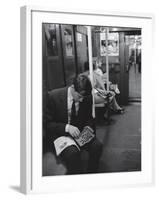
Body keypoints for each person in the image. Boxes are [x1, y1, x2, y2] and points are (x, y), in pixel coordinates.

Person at [46, 74, 102, 175]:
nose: (81, 100)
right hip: (62, 134)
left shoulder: (86, 97)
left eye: (83, 97)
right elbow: (48, 124)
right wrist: (67, 128)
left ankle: (91, 175)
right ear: (72, 88)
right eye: (79, 96)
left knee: (97, 146)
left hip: (80, 132)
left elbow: (89, 118)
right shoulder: (53, 96)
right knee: (73, 154)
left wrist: (88, 127)